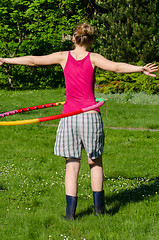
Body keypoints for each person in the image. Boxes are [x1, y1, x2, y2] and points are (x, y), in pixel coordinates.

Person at [0, 23, 158, 220]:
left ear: (74, 39)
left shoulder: (62, 56)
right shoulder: (94, 58)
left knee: (72, 165)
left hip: (69, 117)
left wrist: (6, 59)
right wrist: (140, 68)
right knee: (95, 163)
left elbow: (33, 61)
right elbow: (117, 67)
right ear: (91, 41)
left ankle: (70, 216)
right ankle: (100, 212)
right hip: (90, 116)